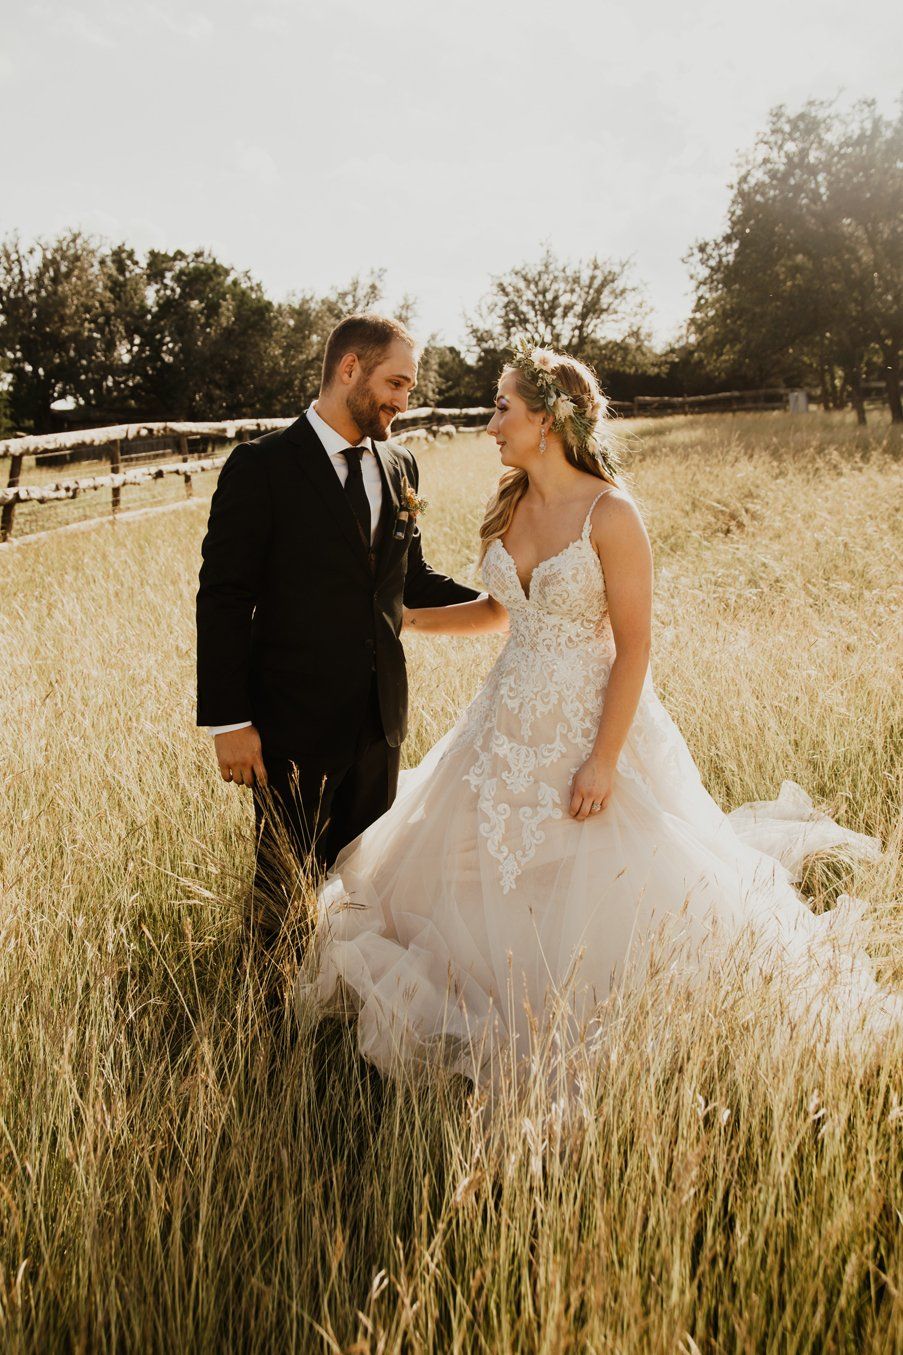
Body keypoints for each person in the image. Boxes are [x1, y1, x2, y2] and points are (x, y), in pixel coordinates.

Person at [295, 340, 901, 1096]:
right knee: (462, 865)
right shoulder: (511, 504)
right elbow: (497, 611)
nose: (490, 424)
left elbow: (634, 643)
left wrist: (602, 758)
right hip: (503, 718)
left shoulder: (611, 513)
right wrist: (404, 618)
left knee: (605, 868)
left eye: (501, 406)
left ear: (545, 418)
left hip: (587, 719)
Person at [196, 313, 480, 957]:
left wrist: (511, 603)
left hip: (381, 721)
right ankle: (265, 1031)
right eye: (396, 383)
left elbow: (410, 578)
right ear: (349, 369)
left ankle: (347, 1024)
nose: (405, 402)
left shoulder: (401, 465)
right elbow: (224, 597)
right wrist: (228, 721)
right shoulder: (262, 466)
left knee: (365, 888)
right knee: (282, 899)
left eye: (409, 388)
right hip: (290, 723)